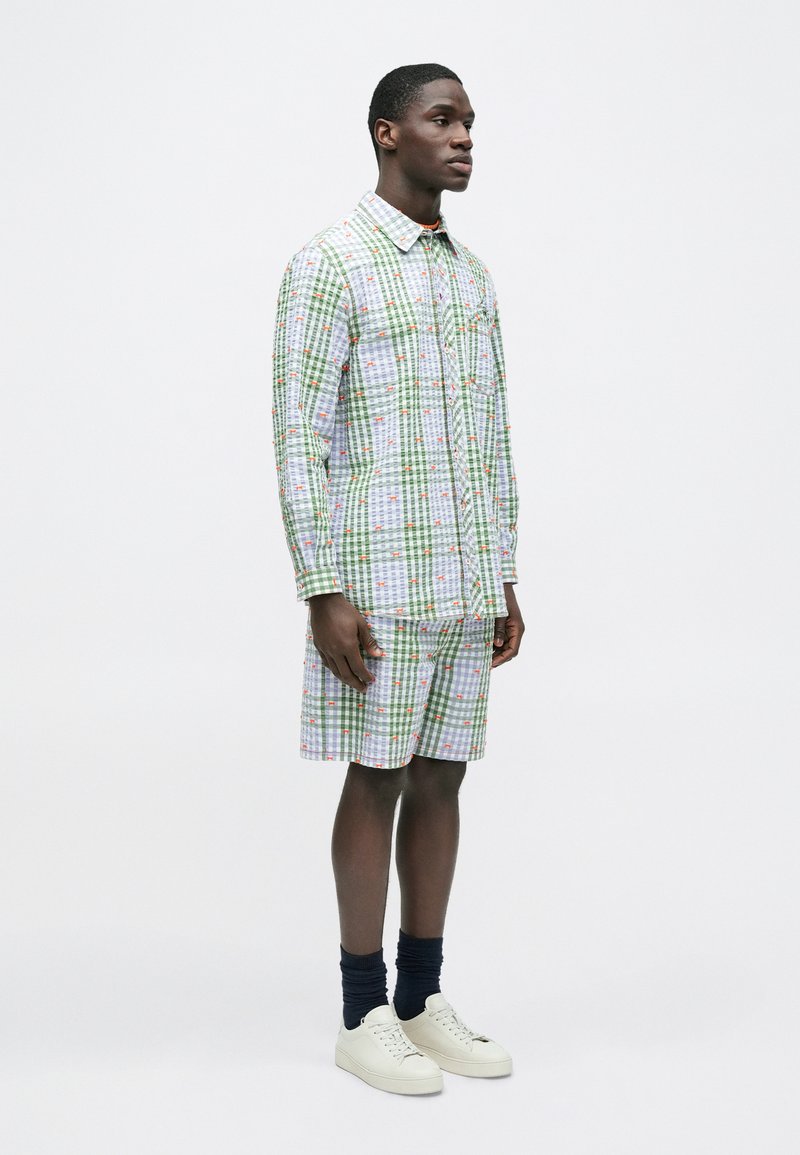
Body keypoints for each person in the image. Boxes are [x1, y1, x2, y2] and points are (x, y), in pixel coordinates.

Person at [271, 62, 524, 1095]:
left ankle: (421, 997)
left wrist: (503, 571)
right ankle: (360, 1010)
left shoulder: (471, 277)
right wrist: (322, 587)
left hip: (463, 583)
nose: (463, 137)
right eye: (441, 119)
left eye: (468, 122)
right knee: (374, 777)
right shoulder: (329, 263)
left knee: (443, 776)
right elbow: (299, 437)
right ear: (387, 133)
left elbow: (492, 434)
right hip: (375, 586)